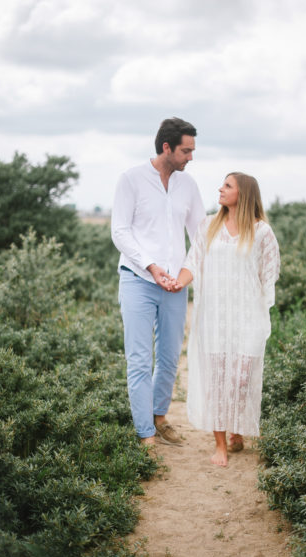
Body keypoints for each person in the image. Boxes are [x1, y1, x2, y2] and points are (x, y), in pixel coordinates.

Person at [170, 172, 280, 466]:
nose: (220, 188)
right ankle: (220, 445)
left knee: (241, 378)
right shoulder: (209, 225)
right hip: (215, 318)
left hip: (247, 317)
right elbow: (193, 261)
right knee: (217, 379)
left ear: (243, 194)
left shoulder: (262, 233)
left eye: (227, 185)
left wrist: (259, 307)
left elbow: (269, 275)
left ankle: (239, 429)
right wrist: (178, 282)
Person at [111, 118, 206, 446]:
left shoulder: (188, 186)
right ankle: (145, 435)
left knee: (168, 358)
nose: (190, 157)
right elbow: (119, 231)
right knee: (138, 360)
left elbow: (200, 236)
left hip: (175, 287)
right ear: (166, 147)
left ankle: (159, 415)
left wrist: (183, 276)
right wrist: (151, 267)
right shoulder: (132, 179)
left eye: (192, 151)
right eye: (185, 150)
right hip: (138, 280)